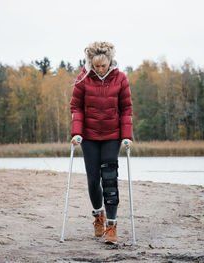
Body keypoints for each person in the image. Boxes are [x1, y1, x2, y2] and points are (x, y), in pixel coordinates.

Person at [70, 41, 133, 244]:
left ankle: (112, 226)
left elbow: (126, 109)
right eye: (96, 66)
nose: (99, 69)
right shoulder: (83, 79)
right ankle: (98, 215)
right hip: (88, 137)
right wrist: (77, 132)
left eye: (103, 65)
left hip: (112, 137)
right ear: (91, 63)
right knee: (92, 180)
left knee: (110, 180)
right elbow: (76, 107)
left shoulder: (121, 79)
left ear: (109, 62)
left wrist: (126, 136)